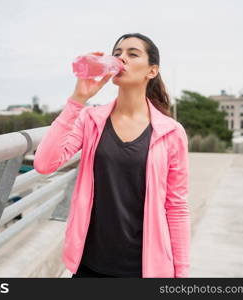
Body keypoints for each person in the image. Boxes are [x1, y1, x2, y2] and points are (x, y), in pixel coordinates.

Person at [34, 33, 190, 278]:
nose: (121, 59)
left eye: (132, 53)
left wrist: (181, 274)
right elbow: (44, 164)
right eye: (117, 54)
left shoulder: (171, 132)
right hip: (89, 265)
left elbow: (176, 206)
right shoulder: (90, 119)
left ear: (152, 71)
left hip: (144, 269)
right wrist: (78, 100)